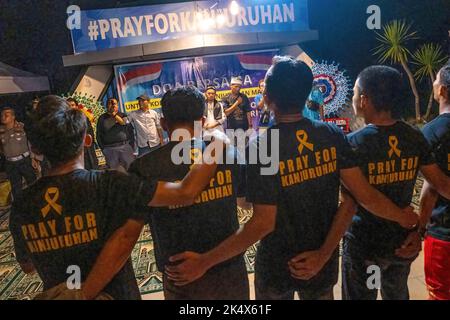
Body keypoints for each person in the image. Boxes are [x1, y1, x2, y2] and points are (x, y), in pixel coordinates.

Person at [165, 56, 418, 300]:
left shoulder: (265, 146)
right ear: (307, 94)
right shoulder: (331, 135)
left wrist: (205, 261)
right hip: (322, 264)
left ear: (267, 98)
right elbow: (356, 199)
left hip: (277, 267)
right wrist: (323, 254)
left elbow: (262, 222)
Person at [9, 95, 223, 300]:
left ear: (35, 148)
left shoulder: (22, 203)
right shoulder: (112, 184)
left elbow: (27, 266)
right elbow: (185, 193)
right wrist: (216, 147)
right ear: (87, 140)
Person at [341, 65, 450, 300]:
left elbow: (361, 198)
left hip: (364, 243)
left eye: (354, 93)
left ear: (364, 99)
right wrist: (417, 228)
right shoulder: (414, 137)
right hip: (401, 242)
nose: (353, 98)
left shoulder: (352, 144)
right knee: (397, 294)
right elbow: (441, 185)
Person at [129, 86, 248, 300]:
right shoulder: (228, 153)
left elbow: (129, 231)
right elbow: (247, 205)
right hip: (229, 269)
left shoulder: (144, 167)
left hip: (180, 276)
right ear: (202, 121)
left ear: (164, 124)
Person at [420, 64, 450, 300]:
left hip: (443, 232)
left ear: (442, 91)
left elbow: (429, 190)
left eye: (436, 81)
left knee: (440, 294)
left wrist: (419, 227)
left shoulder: (430, 133)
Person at [0, 107, 37, 201]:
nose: (3, 117)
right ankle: (20, 207)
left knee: (33, 184)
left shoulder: (22, 127)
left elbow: (30, 142)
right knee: (16, 188)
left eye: (6, 115)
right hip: (10, 164)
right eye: (2, 115)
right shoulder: (1, 131)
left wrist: (33, 158)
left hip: (24, 161)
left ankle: (36, 203)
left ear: (13, 117)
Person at [96, 98, 135, 170]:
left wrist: (131, 147)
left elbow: (130, 131)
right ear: (106, 106)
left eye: (115, 104)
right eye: (110, 103)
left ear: (118, 105)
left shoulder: (123, 115)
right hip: (110, 150)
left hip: (125, 147)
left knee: (131, 170)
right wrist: (104, 149)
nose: (113, 106)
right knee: (114, 173)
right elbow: (98, 135)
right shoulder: (102, 118)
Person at [67, 98, 99, 170]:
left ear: (77, 106)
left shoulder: (84, 118)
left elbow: (90, 133)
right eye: (69, 105)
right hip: (74, 152)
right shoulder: (64, 121)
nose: (71, 107)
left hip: (87, 150)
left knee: (93, 172)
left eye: (73, 105)